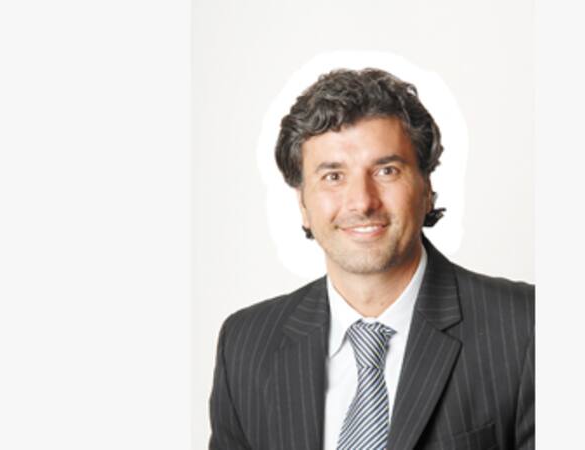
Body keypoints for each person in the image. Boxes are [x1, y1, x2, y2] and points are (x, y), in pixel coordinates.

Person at [209, 68, 534, 450]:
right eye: (333, 176)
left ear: (426, 188)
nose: (362, 201)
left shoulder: (527, 329)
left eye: (386, 171)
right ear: (303, 205)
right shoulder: (245, 346)